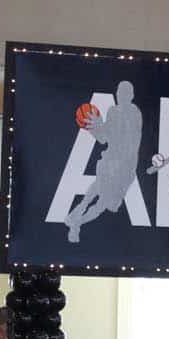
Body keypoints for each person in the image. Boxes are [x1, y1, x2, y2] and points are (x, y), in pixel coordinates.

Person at [65, 80, 142, 244]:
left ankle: (76, 220)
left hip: (125, 166)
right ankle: (76, 222)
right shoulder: (112, 111)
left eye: (125, 93)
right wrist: (92, 127)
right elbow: (104, 138)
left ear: (131, 96)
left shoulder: (134, 113)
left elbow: (131, 142)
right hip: (110, 159)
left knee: (106, 204)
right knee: (98, 189)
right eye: (119, 93)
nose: (121, 96)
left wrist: (120, 164)